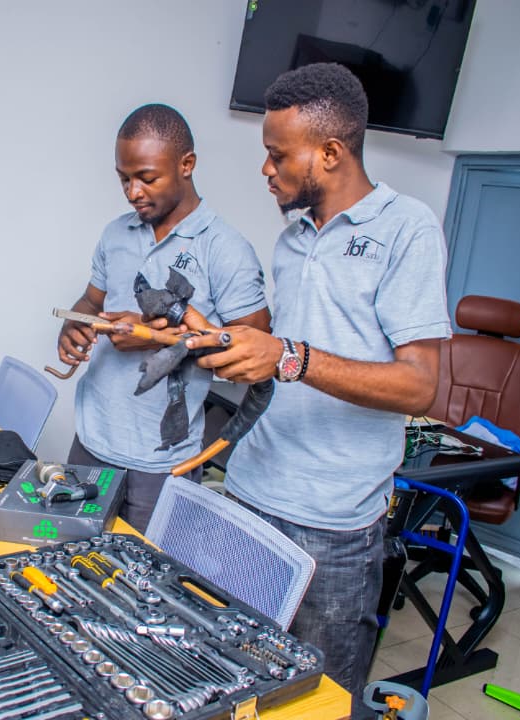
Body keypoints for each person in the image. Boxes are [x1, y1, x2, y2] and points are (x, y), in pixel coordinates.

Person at [184, 64, 451, 717]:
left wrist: (288, 356)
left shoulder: (407, 229)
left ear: (330, 152)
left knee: (318, 699)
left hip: (331, 522)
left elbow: (421, 387)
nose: (266, 169)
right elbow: (291, 355)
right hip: (250, 492)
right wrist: (234, 349)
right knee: (234, 677)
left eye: (278, 155)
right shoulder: (293, 239)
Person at [56, 103, 270, 533]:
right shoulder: (116, 234)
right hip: (92, 442)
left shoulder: (225, 250)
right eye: (124, 179)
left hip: (161, 462)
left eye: (147, 178)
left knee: (146, 573)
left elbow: (254, 360)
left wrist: (155, 338)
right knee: (70, 557)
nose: (133, 191)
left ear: (186, 165)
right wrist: (74, 324)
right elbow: (91, 301)